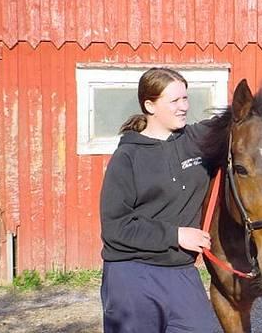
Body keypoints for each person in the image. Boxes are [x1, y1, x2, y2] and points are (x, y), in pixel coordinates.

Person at [100, 67, 218, 332]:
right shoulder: (127, 158)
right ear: (150, 105)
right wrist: (175, 235)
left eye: (186, 99)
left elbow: (242, 120)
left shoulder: (196, 139)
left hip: (181, 271)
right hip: (131, 272)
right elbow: (115, 227)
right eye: (174, 101)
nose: (184, 107)